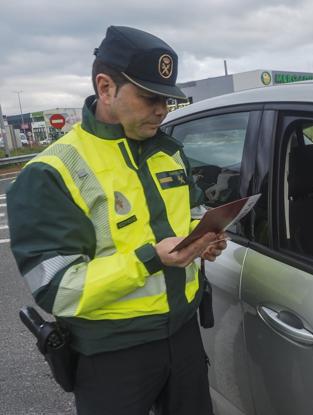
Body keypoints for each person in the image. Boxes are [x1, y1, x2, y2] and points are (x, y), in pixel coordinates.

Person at [7, 26, 227, 415]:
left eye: (166, 99)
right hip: (112, 352)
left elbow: (189, 216)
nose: (161, 109)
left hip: (182, 333)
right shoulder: (51, 172)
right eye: (149, 97)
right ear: (105, 88)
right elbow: (58, 288)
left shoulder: (169, 152)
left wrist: (202, 241)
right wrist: (150, 259)